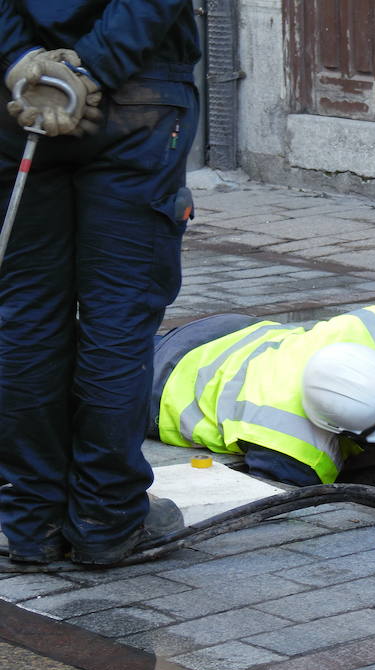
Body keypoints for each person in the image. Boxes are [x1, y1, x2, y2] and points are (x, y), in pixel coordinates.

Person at [0, 2, 201, 565]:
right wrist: (92, 70)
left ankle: (31, 523)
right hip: (136, 100)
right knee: (119, 312)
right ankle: (105, 517)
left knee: (28, 313)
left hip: (21, 99)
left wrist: (20, 59)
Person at [149, 300, 375, 486]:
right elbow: (276, 497)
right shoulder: (293, 453)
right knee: (104, 376)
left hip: (229, 332)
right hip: (164, 386)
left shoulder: (369, 336)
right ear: (335, 429)